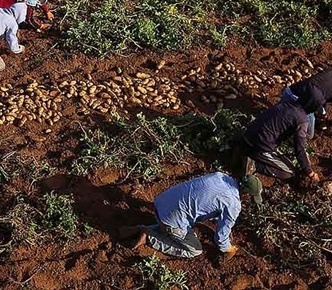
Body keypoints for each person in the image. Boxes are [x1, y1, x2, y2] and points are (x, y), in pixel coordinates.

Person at [128, 172, 262, 259]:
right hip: (169, 220)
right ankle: (150, 237)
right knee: (195, 250)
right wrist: (229, 249)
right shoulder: (233, 204)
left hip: (159, 203)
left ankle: (144, 228)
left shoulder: (220, 176)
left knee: (183, 219)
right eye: (250, 197)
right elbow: (220, 237)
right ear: (245, 193)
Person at [234, 98, 321, 183]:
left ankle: (242, 148)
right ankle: (254, 165)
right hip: (260, 145)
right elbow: (299, 149)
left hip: (248, 134)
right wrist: (310, 172)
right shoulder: (302, 120)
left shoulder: (287, 102)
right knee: (289, 172)